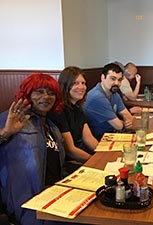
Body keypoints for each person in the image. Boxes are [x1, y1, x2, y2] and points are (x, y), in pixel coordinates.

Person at [0, 73, 67, 225]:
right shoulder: (11, 119)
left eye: (51, 93)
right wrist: (5, 133)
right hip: (28, 204)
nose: (46, 96)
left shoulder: (52, 127)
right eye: (39, 91)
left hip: (55, 196)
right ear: (27, 94)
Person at [49, 66, 99, 173]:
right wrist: (95, 161)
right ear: (65, 85)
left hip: (81, 156)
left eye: (83, 83)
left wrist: (104, 154)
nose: (81, 87)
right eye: (76, 83)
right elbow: (70, 150)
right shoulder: (59, 110)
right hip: (68, 163)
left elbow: (89, 139)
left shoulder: (77, 108)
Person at [84, 63, 133, 140]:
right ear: (103, 78)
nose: (116, 83)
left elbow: (127, 115)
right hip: (99, 140)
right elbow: (118, 126)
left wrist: (127, 120)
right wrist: (125, 123)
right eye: (113, 79)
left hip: (111, 135)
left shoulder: (114, 94)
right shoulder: (97, 97)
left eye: (119, 80)